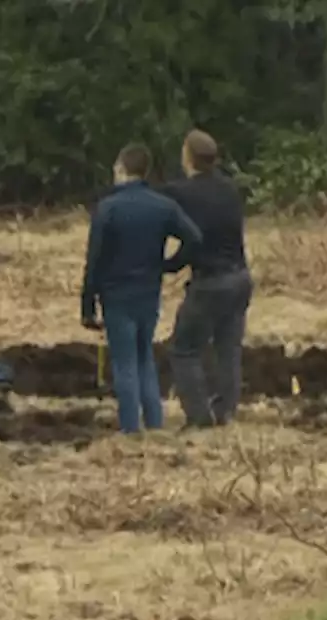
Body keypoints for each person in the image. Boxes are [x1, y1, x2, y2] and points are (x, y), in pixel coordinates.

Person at [81, 143, 202, 434]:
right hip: (148, 292)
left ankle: (131, 431)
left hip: (116, 295)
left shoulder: (108, 209)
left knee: (124, 363)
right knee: (144, 357)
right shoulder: (162, 206)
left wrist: (87, 305)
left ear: (121, 170)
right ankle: (155, 425)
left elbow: (93, 260)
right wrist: (169, 265)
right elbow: (195, 238)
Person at [159, 129, 253, 428]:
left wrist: (169, 264)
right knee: (229, 349)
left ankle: (199, 418)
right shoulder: (230, 189)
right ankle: (224, 412)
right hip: (240, 278)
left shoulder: (183, 192)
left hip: (211, 282)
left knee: (183, 349)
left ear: (187, 157)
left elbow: (194, 240)